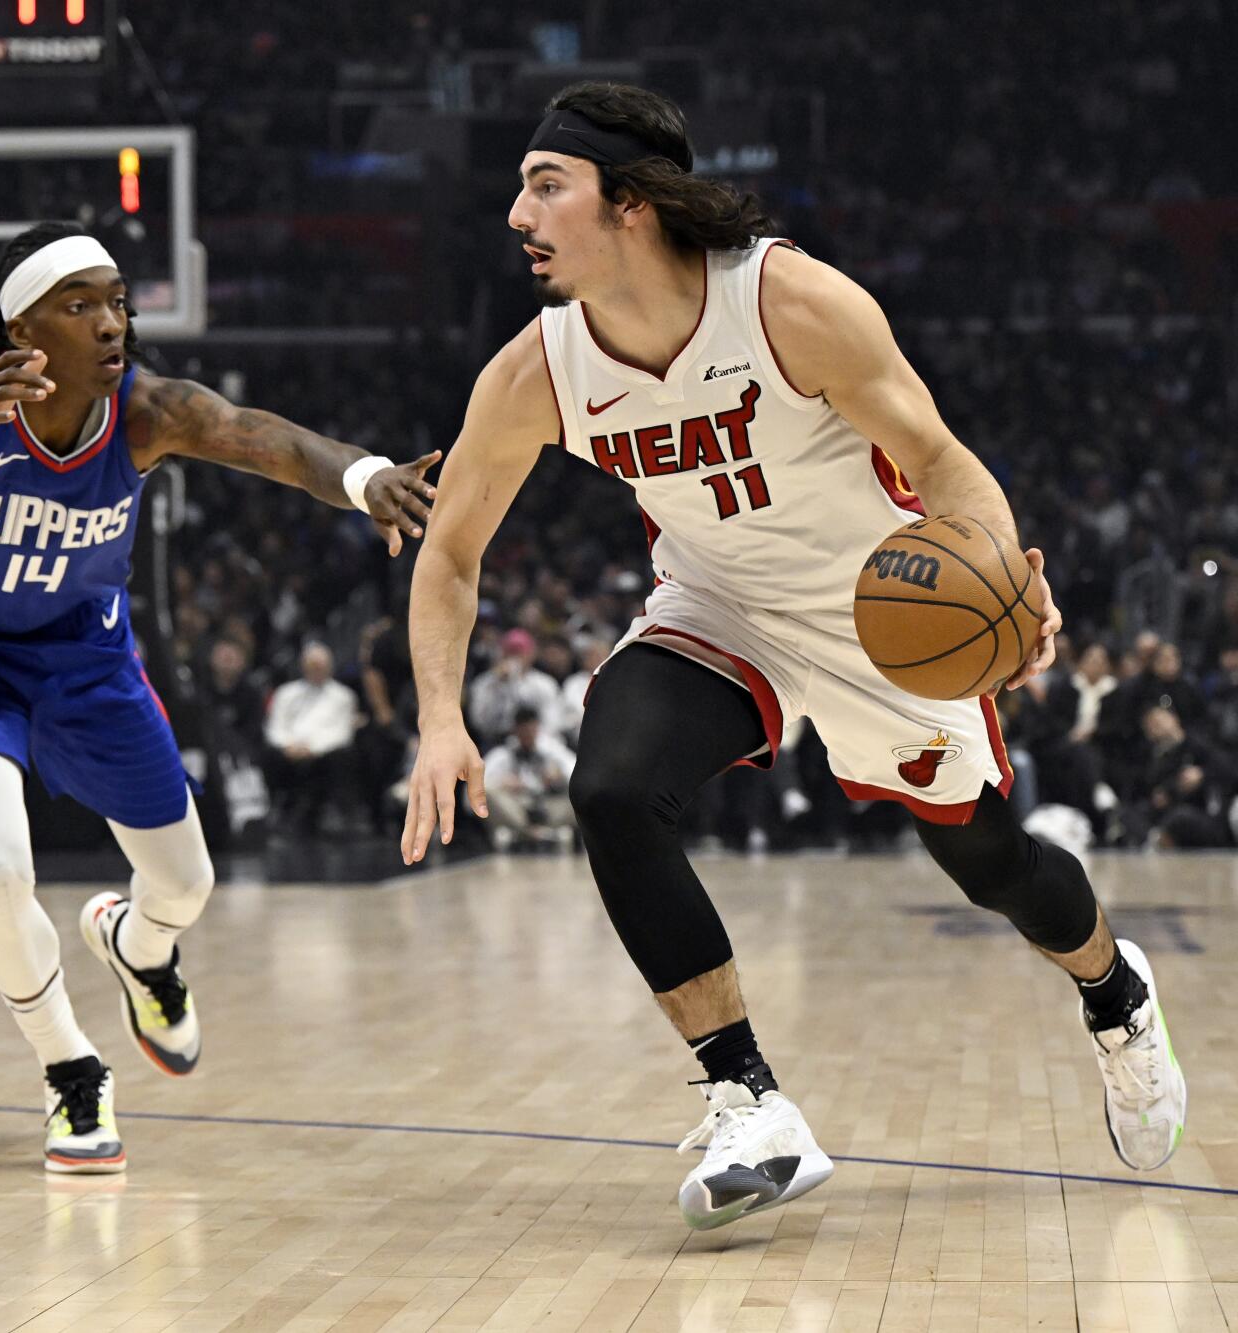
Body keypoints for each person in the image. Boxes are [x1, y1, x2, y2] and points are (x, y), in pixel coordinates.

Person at [401, 82, 1184, 1230]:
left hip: (883, 609)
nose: (515, 212)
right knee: (612, 786)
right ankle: (747, 1095)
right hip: (719, 602)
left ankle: (1113, 997)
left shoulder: (790, 303)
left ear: (628, 205)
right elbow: (451, 549)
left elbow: (939, 455)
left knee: (990, 866)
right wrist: (436, 717)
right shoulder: (538, 370)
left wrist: (1004, 569)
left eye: (543, 184)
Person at [0, 222, 438, 1172]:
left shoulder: (147, 413)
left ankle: (137, 944)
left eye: (118, 301)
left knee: (187, 884)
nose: (112, 323)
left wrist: (365, 479)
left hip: (83, 657)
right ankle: (70, 1068)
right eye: (81, 306)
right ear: (16, 324)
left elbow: (265, 440)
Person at [263, 641, 360, 833]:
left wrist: (313, 749)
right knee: (267, 754)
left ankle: (338, 813)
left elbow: (342, 733)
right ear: (303, 666)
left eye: (320, 666)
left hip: (324, 752)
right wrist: (289, 746)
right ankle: (274, 812)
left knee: (343, 756)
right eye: (312, 666)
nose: (316, 670)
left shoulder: (343, 696)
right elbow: (275, 727)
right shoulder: (285, 693)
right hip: (290, 749)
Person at [481, 704, 577, 850]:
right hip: (518, 808)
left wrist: (559, 776)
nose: (527, 734)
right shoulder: (503, 754)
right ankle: (535, 833)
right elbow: (477, 789)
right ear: (515, 730)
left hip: (549, 807)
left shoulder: (553, 750)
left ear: (537, 727)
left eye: (531, 729)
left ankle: (523, 834)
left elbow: (576, 774)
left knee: (580, 795)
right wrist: (502, 783)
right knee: (486, 791)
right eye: (523, 731)